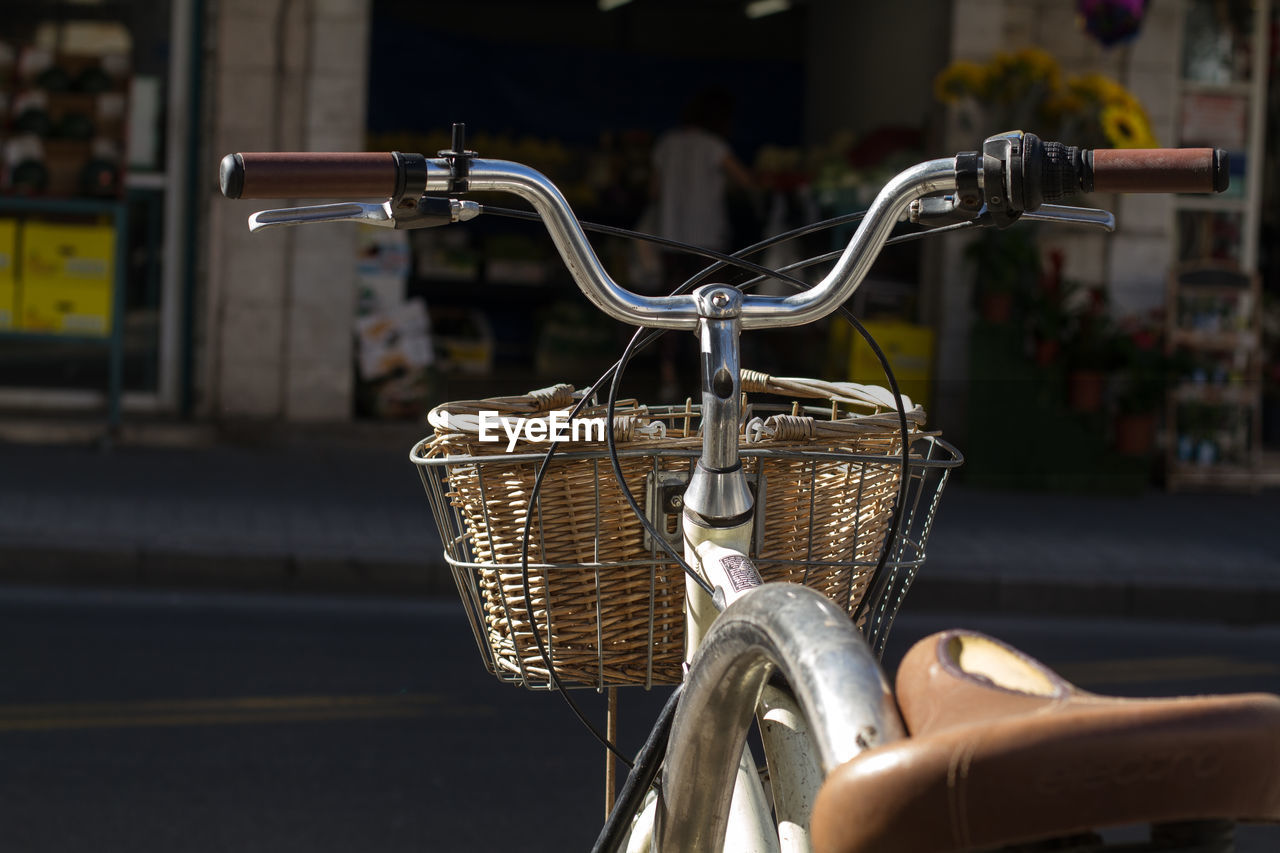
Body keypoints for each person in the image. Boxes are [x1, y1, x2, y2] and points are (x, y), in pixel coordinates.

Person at [648, 87, 755, 399]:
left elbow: (654, 192)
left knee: (669, 306)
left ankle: (667, 377)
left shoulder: (666, 144)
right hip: (706, 240)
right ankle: (707, 378)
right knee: (711, 309)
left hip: (669, 236)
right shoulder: (714, 146)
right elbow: (745, 182)